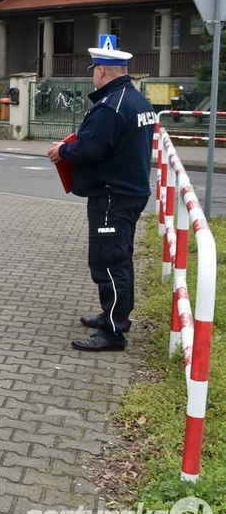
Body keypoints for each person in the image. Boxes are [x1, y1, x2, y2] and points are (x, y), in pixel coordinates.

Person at [47, 37, 155, 352]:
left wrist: (63, 150)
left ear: (103, 72)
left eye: (95, 70)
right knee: (119, 259)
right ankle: (115, 316)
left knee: (108, 262)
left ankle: (112, 332)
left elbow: (91, 148)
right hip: (128, 192)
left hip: (112, 196)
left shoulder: (111, 106)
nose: (93, 75)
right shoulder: (138, 100)